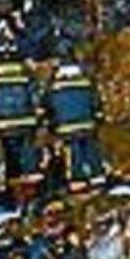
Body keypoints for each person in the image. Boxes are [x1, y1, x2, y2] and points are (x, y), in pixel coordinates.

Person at [0, 46, 43, 206]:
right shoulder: (25, 74)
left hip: (3, 124)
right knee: (28, 152)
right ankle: (32, 190)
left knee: (10, 157)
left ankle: (14, 190)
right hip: (26, 121)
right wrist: (38, 115)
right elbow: (35, 96)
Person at [45, 55, 109, 192]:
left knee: (74, 154)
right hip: (87, 124)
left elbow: (48, 107)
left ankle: (77, 180)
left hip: (66, 127)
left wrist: (51, 125)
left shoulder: (54, 86)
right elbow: (96, 103)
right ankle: (97, 176)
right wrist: (98, 118)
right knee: (92, 150)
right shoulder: (86, 82)